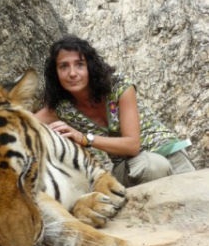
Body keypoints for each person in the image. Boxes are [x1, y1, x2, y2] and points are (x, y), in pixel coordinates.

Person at [35, 34, 195, 187]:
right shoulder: (61, 108)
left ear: (90, 67)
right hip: (132, 168)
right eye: (64, 66)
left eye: (80, 64)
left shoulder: (118, 87)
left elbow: (132, 144)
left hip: (171, 152)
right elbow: (22, 122)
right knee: (152, 166)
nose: (72, 73)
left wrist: (84, 138)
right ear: (55, 73)